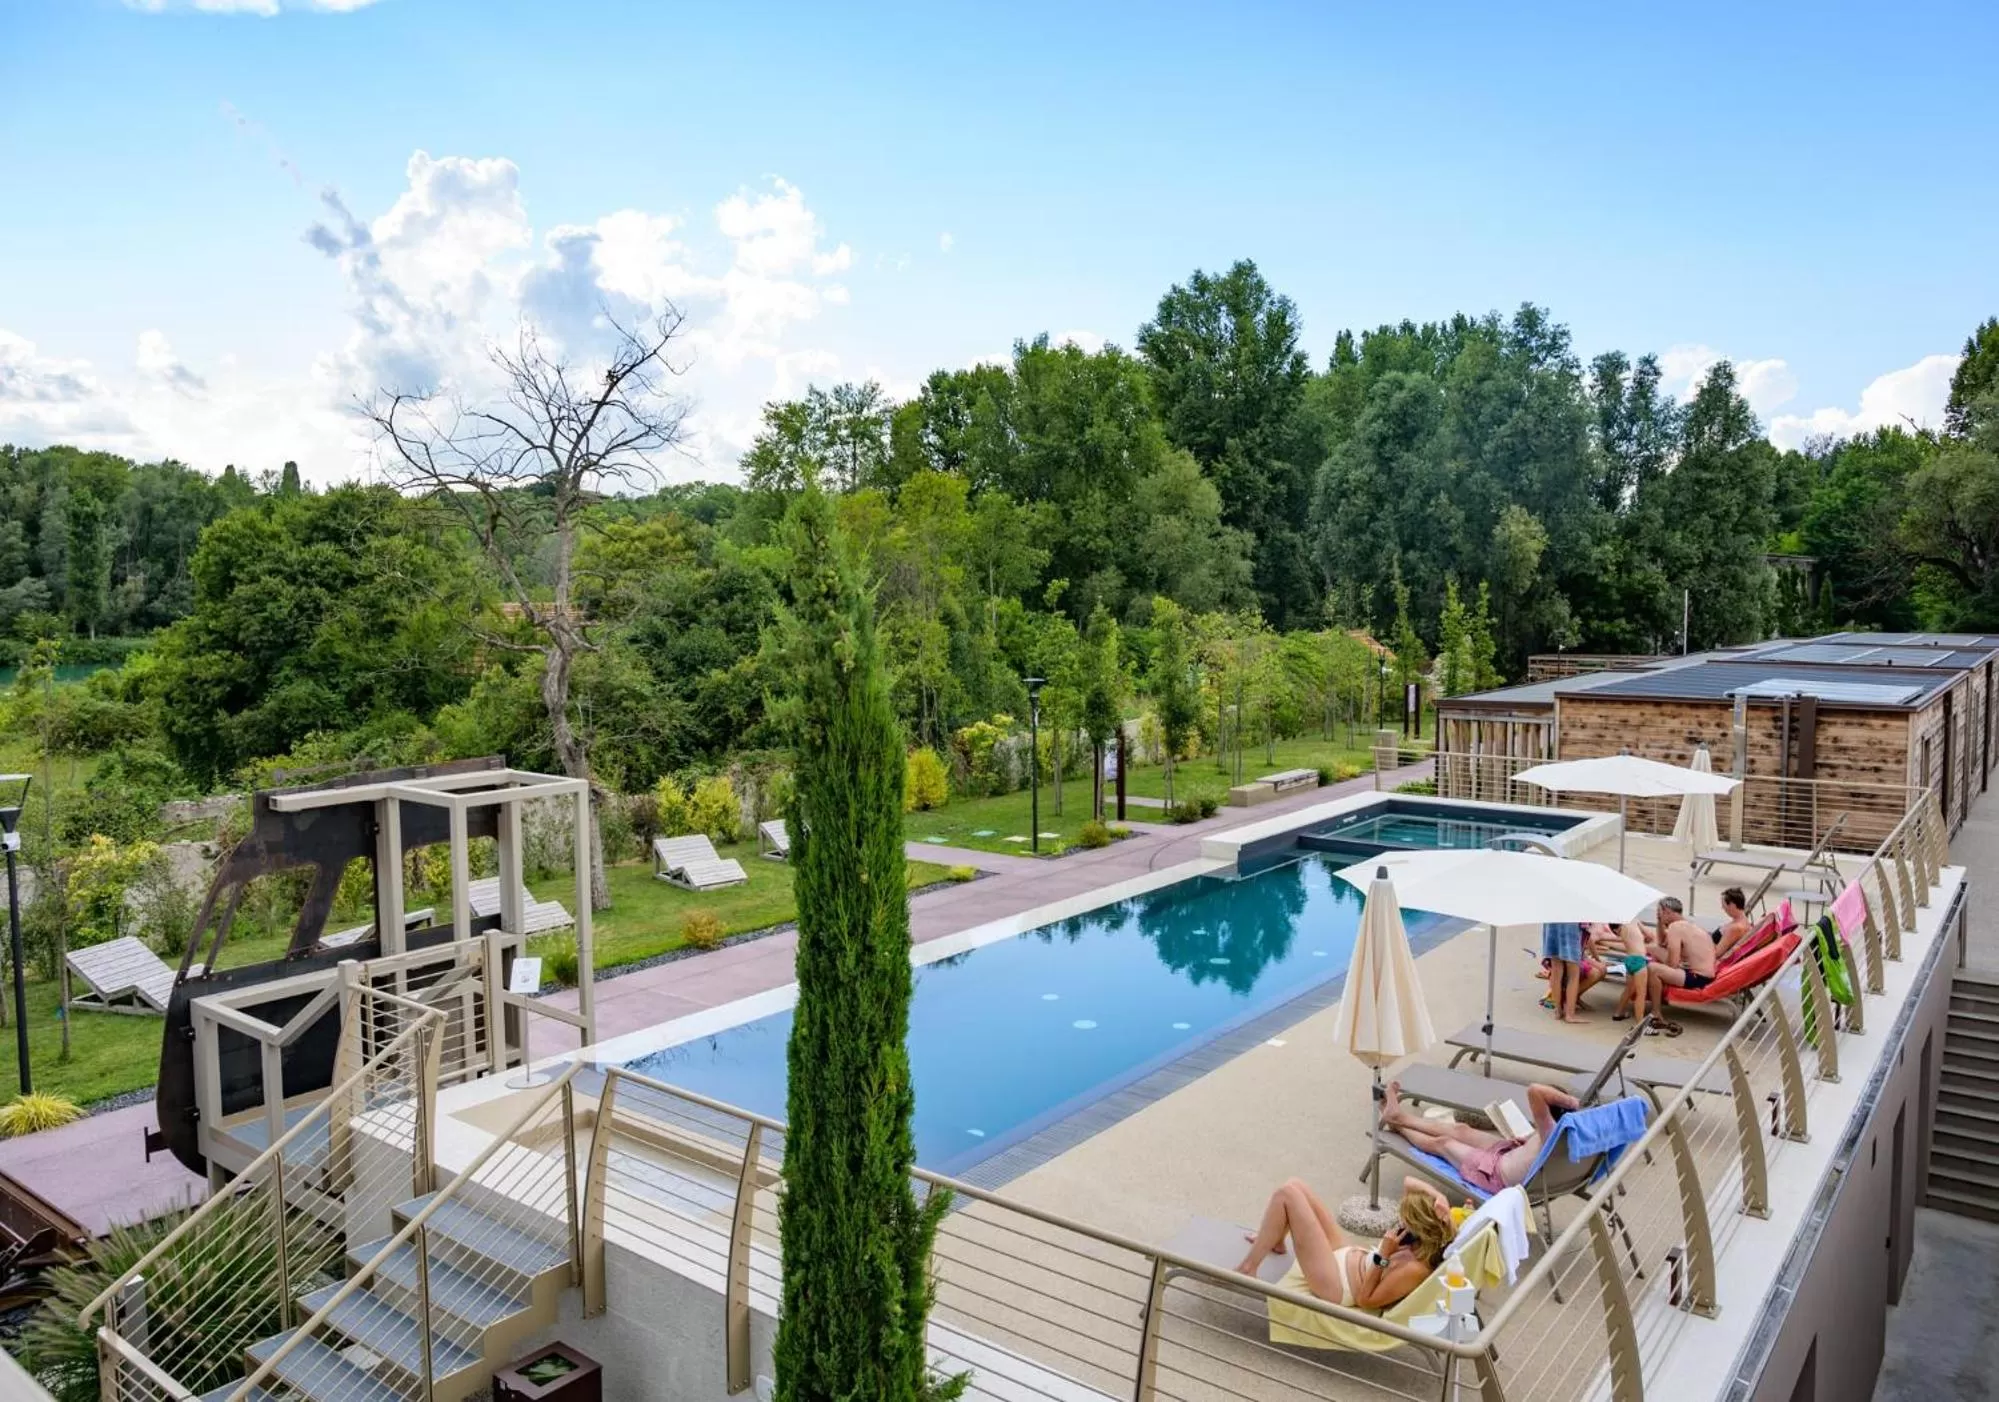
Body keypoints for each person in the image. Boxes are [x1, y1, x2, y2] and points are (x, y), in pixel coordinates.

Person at [1236, 1174, 1455, 1309]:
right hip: (1349, 1256)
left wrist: (1384, 1256)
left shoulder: (1415, 1269)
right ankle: (1277, 1239)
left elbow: (1365, 1300)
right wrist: (1438, 1196)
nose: (1401, 1224)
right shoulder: (1417, 1241)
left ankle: (1248, 1268)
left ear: (1421, 1229)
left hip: (1338, 1286)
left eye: (1406, 1221)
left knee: (1287, 1194)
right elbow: (1409, 1182)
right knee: (1295, 1184)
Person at [1379, 1080, 1579, 1194]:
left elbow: (1535, 1090)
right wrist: (1526, 1145)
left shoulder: (1550, 1129)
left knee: (1443, 1144)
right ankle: (1400, 1116)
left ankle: (1398, 1124)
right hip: (1510, 1155)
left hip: (1497, 1174)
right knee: (1461, 1130)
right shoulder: (1567, 1132)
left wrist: (1572, 1102)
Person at [1649, 895, 1719, 999]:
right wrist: (1660, 921)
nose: (1658, 915)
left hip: (1697, 978)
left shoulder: (1675, 927)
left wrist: (1659, 965)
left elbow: (1672, 964)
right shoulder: (1688, 925)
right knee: (1655, 949)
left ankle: (1656, 1012)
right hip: (1705, 975)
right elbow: (1661, 942)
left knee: (1652, 968)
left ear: (1667, 911)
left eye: (1659, 912)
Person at [1595, 920, 1656, 1028]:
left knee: (1629, 990)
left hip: (1629, 960)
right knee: (1641, 995)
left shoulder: (1622, 928)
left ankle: (1618, 1013)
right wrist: (1643, 938)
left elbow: (1624, 942)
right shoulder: (1634, 921)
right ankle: (1640, 1025)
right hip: (1639, 960)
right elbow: (1651, 935)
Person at [1540, 921, 1587, 1023]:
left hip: (1551, 923)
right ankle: (1570, 1015)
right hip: (1570, 926)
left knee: (1556, 972)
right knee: (1573, 974)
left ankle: (1558, 1011)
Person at [1713, 887, 1754, 961]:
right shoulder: (1746, 923)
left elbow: (1717, 953)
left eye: (1723, 904)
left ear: (1732, 905)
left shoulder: (1735, 928)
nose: (1722, 907)